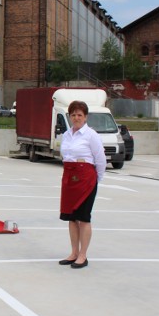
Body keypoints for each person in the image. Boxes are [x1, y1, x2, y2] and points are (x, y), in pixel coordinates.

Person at [58, 100, 106, 269]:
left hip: (86, 180)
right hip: (69, 178)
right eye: (73, 115)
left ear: (85, 117)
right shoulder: (66, 135)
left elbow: (100, 159)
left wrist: (95, 179)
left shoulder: (91, 135)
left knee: (84, 218)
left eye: (80, 115)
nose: (76, 117)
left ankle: (83, 255)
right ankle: (74, 252)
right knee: (71, 218)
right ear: (70, 117)